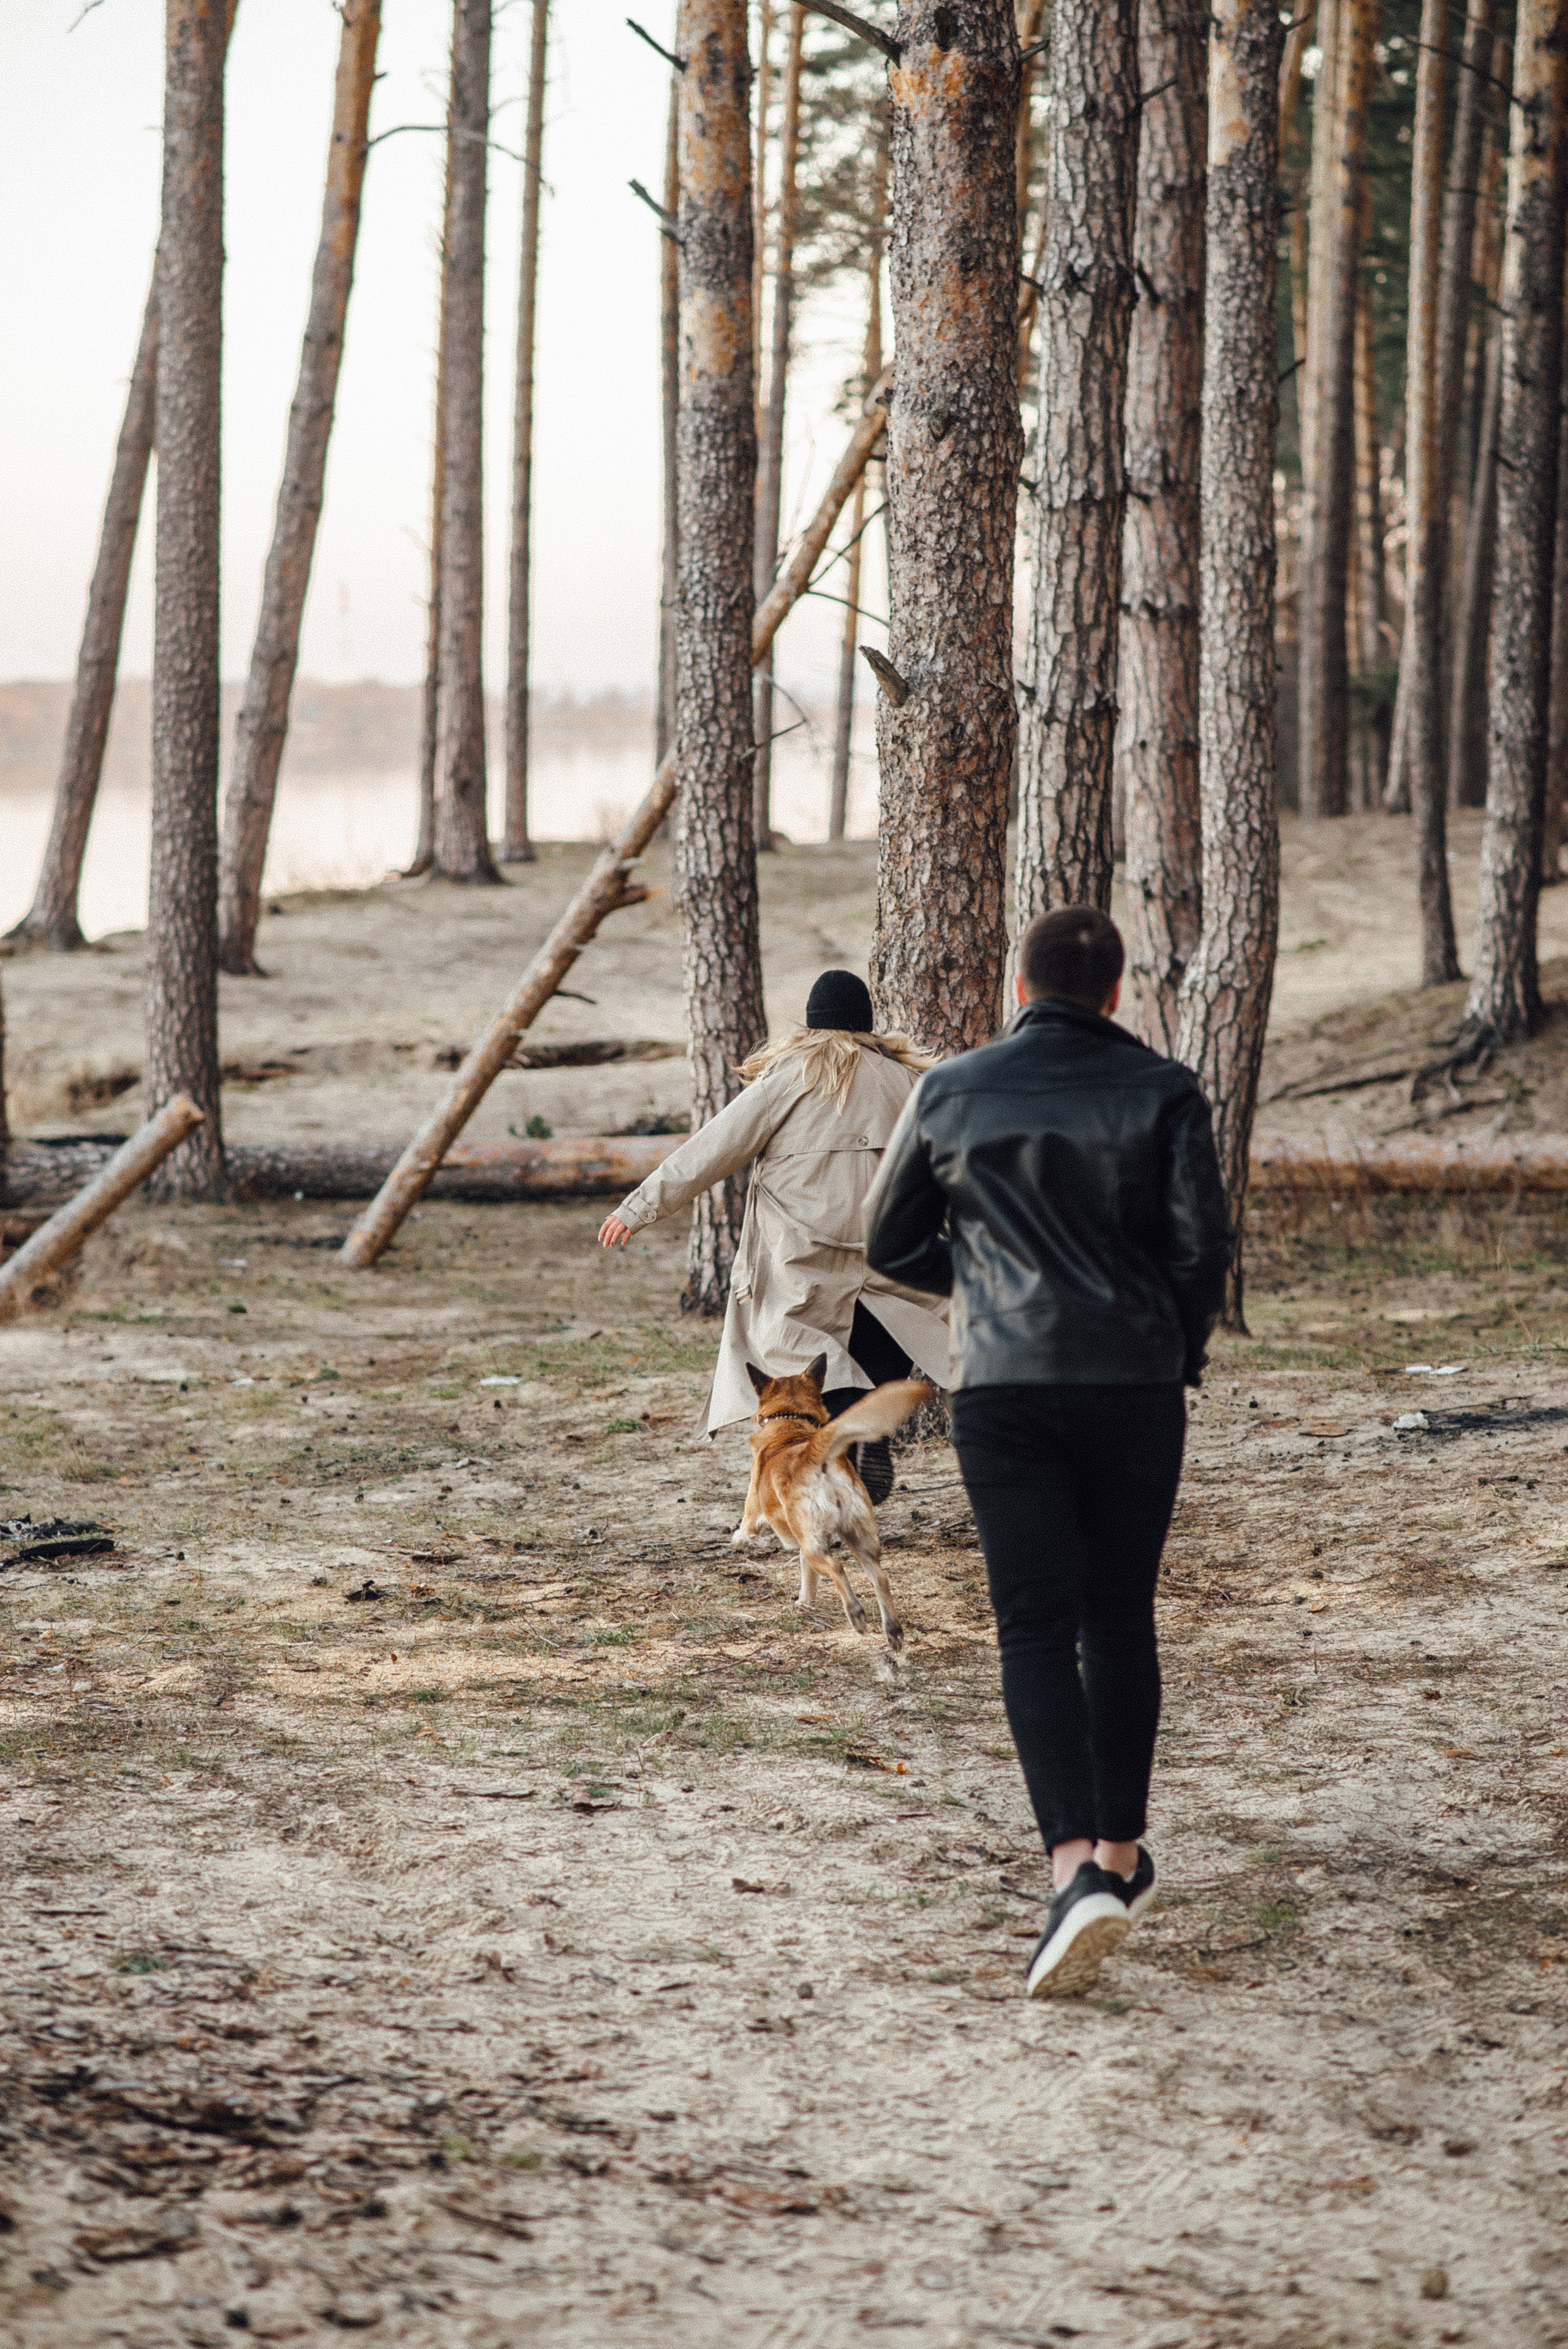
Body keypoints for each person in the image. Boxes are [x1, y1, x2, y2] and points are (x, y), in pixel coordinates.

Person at [865, 907, 1232, 1997]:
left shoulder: (952, 1088)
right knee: (1118, 1612)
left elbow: (890, 1243)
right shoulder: (1164, 1088)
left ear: (1022, 987)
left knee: (1032, 1620)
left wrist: (982, 1284)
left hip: (1005, 1386)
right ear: (1115, 990)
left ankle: (1073, 1865)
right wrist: (1172, 1340)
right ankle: (1120, 1857)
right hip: (1132, 1382)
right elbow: (1201, 1246)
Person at [598, 970, 951, 1495]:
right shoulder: (909, 1082)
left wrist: (640, 1207)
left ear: (811, 1022)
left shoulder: (789, 1077)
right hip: (891, 1248)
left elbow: (715, 1147)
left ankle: (842, 1444)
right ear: (867, 1022)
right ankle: (867, 1427)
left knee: (802, 1357)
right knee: (887, 1336)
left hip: (806, 1253)